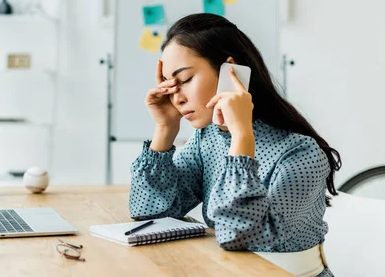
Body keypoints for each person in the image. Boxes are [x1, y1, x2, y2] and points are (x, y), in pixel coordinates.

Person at [129, 14, 341, 277]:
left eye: (184, 80)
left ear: (230, 72)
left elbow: (235, 235)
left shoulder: (301, 153)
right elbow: (150, 210)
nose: (177, 97)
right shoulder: (208, 139)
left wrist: (242, 137)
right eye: (170, 85)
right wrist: (165, 129)